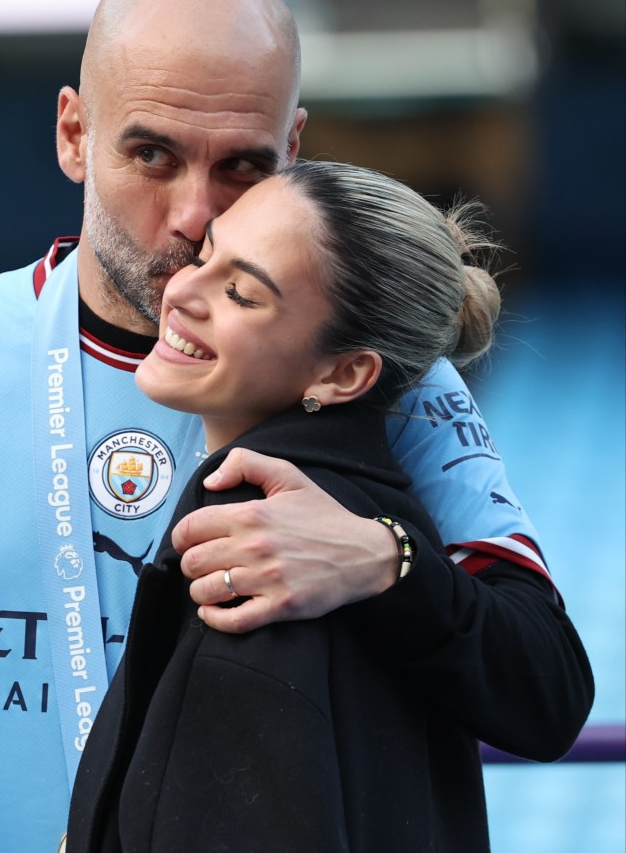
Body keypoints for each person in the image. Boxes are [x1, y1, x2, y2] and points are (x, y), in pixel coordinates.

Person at [0, 0, 559, 852]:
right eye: (151, 153)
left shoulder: (384, 372)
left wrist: (383, 562)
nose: (195, 213)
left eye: (241, 165)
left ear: (293, 150)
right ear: (74, 133)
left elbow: (545, 692)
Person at [66, 162, 593, 852]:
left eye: (242, 294)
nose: (181, 287)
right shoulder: (351, 484)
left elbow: (548, 685)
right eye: (206, 253)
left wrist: (387, 559)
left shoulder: (255, 545)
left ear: (345, 375)